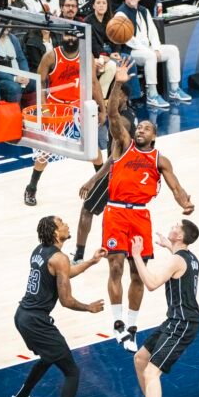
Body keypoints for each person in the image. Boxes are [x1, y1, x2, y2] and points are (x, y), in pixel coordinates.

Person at [103, 58, 194, 352]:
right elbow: (111, 114)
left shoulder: (160, 160)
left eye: (145, 128)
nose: (140, 130)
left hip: (140, 216)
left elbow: (176, 188)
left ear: (154, 135)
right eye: (138, 127)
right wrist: (117, 83)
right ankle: (117, 322)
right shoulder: (124, 144)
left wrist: (185, 203)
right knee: (115, 266)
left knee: (137, 272)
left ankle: (132, 327)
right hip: (115, 211)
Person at [9, 216, 105, 397]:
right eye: (61, 223)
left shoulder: (39, 251)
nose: (67, 224)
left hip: (22, 315)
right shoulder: (59, 258)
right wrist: (88, 307)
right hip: (36, 321)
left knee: (48, 357)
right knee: (72, 372)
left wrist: (91, 261)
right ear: (55, 232)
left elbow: (66, 272)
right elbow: (66, 300)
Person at [127, 219, 199, 397]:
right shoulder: (190, 257)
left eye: (176, 227)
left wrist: (137, 255)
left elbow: (151, 284)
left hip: (182, 323)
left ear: (180, 236)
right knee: (140, 358)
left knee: (152, 372)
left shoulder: (177, 260)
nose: (172, 227)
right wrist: (168, 245)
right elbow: (179, 259)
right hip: (175, 320)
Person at [23, 30, 106, 206]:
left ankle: (103, 185)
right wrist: (45, 110)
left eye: (73, 36)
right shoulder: (51, 56)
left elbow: (93, 83)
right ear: (62, 37)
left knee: (93, 148)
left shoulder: (86, 56)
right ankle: (31, 187)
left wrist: (102, 109)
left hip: (78, 107)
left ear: (79, 38)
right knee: (45, 151)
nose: (70, 39)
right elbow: (40, 84)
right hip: (56, 107)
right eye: (68, 36)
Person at [73, 83, 135, 264]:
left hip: (117, 173)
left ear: (124, 98)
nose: (111, 100)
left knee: (87, 210)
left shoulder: (122, 122)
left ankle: (78, 257)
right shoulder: (129, 115)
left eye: (117, 96)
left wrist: (92, 180)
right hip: (131, 174)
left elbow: (113, 160)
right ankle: (129, 251)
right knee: (122, 215)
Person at [116, 0, 191, 108]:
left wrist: (156, 48)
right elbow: (128, 39)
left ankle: (174, 89)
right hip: (132, 51)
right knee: (150, 56)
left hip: (148, 49)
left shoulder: (144, 10)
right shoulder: (120, 14)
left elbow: (153, 32)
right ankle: (152, 95)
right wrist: (149, 50)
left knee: (173, 50)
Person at [84, 0, 121, 98]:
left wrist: (116, 52)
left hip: (110, 52)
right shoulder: (88, 21)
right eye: (98, 3)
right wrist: (108, 56)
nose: (101, 5)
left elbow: (116, 39)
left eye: (104, 3)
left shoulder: (110, 20)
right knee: (114, 65)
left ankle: (126, 98)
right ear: (93, 5)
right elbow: (92, 45)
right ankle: (101, 98)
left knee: (127, 60)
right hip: (96, 54)